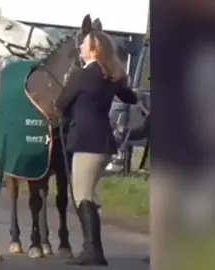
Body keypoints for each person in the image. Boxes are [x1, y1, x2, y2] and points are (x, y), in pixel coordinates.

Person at [56, 29, 138, 266]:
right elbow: (129, 98)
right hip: (103, 142)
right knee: (88, 195)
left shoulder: (82, 75)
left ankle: (93, 251)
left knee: (82, 197)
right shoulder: (111, 74)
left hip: (86, 143)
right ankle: (92, 249)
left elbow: (61, 102)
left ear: (94, 50)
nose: (80, 47)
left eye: (84, 45)